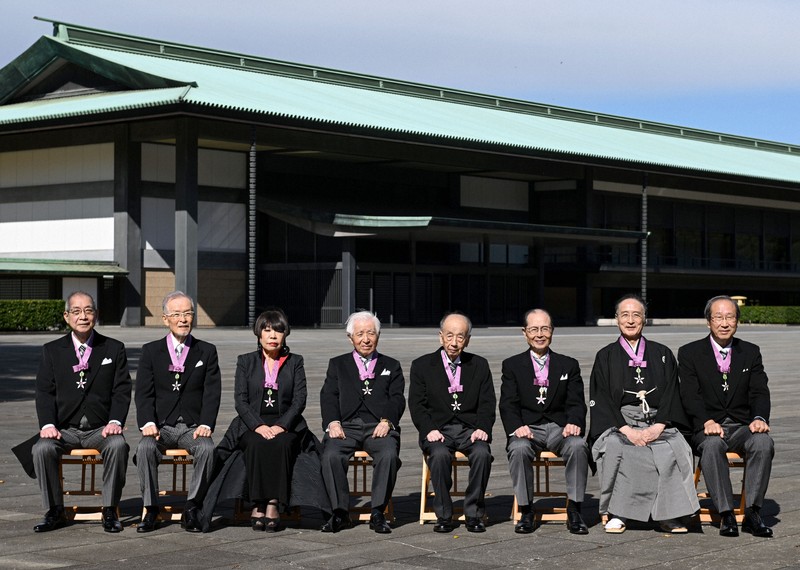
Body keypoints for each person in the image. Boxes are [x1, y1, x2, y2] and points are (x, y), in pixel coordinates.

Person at [589, 293, 699, 534]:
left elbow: (672, 392)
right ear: (616, 319)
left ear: (645, 319)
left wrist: (659, 426)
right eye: (624, 315)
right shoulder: (605, 356)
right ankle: (619, 513)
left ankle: (669, 515)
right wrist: (627, 430)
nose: (630, 320)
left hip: (657, 421)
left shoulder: (662, 353)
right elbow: (602, 397)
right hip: (621, 423)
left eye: (636, 315)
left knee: (673, 449)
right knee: (618, 448)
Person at [30, 291, 131, 533]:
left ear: (95, 315)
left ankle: (109, 509)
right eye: (76, 311)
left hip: (100, 428)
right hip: (65, 428)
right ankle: (55, 509)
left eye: (88, 310)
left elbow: (122, 390)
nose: (83, 316)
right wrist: (48, 425)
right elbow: (44, 392)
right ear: (67, 316)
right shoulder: (51, 350)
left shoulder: (113, 348)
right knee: (41, 448)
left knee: (118, 445)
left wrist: (115, 421)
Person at [678, 295, 774, 538]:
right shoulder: (690, 353)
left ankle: (753, 512)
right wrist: (705, 421)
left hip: (741, 426)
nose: (724, 323)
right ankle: (726, 514)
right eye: (718, 317)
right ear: (708, 321)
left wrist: (760, 418)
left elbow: (759, 391)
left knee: (763, 442)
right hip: (707, 426)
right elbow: (689, 395)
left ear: (737, 321)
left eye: (730, 317)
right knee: (711, 446)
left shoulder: (750, 352)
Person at [134, 291, 221, 533]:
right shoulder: (151, 351)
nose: (183, 319)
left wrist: (206, 423)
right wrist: (147, 423)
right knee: (144, 448)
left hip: (192, 426)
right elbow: (143, 393)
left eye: (188, 313)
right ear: (165, 319)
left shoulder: (207, 351)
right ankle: (151, 508)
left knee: (206, 448)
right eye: (177, 314)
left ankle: (192, 507)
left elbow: (212, 392)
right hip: (162, 426)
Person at [500, 309, 590, 534]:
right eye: (533, 329)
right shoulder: (512, 365)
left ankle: (575, 509)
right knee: (519, 449)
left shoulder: (568, 365)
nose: (539, 334)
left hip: (559, 428)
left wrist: (574, 422)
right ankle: (526, 509)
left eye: (544, 329)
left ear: (552, 331)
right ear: (524, 333)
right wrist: (517, 427)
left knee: (578, 446)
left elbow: (577, 402)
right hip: (528, 428)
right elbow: (508, 403)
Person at [409, 312, 496, 533]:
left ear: (467, 340)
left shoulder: (479, 365)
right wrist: (428, 429)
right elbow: (417, 405)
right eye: (449, 336)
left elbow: (487, 403)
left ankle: (474, 513)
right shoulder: (422, 365)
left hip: (469, 429)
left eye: (460, 337)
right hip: (438, 429)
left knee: (482, 454)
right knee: (438, 455)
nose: (454, 342)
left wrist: (483, 428)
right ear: (440, 337)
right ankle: (444, 513)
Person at [319, 311, 405, 534]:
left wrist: (387, 421)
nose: (366, 339)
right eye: (360, 334)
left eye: (371, 333)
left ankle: (378, 512)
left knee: (388, 455)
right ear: (350, 338)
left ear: (378, 335)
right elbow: (328, 395)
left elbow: (397, 397)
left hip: (377, 426)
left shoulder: (391, 365)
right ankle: (339, 512)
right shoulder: (337, 364)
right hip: (346, 426)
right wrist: (333, 422)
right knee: (330, 455)